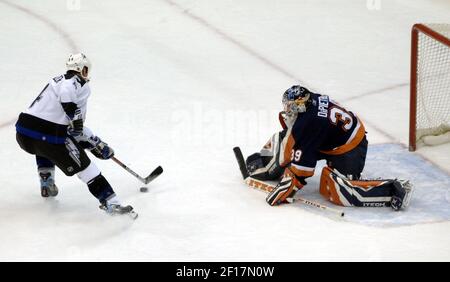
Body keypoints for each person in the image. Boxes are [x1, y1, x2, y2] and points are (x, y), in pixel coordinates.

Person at [245, 85, 413, 211]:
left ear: (300, 105)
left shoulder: (309, 124)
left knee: (337, 189)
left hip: (350, 147)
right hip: (328, 136)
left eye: (291, 107)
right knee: (287, 141)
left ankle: (393, 190)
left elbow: (301, 172)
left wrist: (287, 187)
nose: (288, 111)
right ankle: (266, 164)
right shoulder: (310, 100)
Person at [15, 53, 135, 216]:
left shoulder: (55, 80)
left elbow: (68, 126)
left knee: (43, 147)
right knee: (87, 168)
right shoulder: (76, 84)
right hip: (48, 137)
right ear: (82, 69)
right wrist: (95, 143)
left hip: (24, 133)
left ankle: (47, 182)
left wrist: (93, 142)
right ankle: (111, 203)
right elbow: (75, 128)